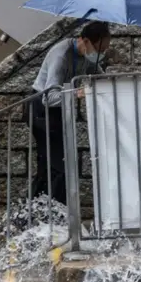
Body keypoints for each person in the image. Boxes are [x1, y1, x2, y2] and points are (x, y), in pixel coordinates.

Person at [29, 21, 111, 205]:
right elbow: (48, 98)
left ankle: (49, 212)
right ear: (86, 41)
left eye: (104, 50)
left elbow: (98, 76)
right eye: (99, 49)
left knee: (59, 164)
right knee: (57, 165)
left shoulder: (86, 56)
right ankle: (44, 212)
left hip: (59, 110)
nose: (100, 55)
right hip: (42, 109)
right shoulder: (62, 55)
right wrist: (77, 93)